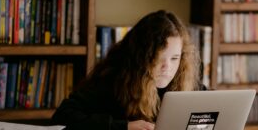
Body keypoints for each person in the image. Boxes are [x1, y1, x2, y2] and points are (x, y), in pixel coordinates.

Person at [51, 10, 204, 130]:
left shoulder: (182, 78)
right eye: (159, 58)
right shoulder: (113, 77)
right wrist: (124, 127)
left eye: (174, 58)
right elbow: (63, 116)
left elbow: (213, 102)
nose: (167, 68)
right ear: (142, 56)